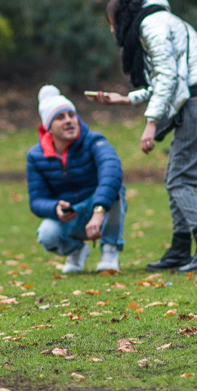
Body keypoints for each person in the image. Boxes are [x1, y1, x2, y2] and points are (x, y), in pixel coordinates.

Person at [91, 0, 197, 273]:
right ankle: (181, 248)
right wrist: (126, 99)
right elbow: (167, 80)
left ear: (122, 16)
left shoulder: (151, 24)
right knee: (175, 177)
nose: (112, 31)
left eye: (111, 24)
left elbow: (167, 76)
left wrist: (150, 122)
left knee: (180, 179)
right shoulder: (161, 20)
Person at [27, 85, 126, 273]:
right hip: (70, 216)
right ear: (48, 127)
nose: (69, 121)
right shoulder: (36, 156)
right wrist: (55, 208)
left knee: (115, 189)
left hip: (97, 208)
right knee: (46, 235)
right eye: (60, 117)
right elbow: (36, 200)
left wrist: (98, 210)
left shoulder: (94, 141)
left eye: (71, 115)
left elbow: (111, 171)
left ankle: (110, 251)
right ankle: (76, 251)